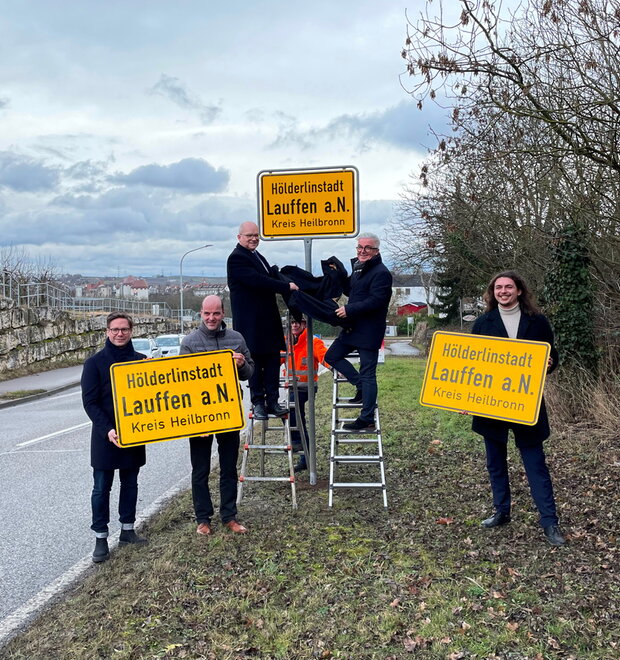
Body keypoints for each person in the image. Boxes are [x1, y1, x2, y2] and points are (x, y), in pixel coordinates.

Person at [471, 271, 565, 546]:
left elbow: (551, 355)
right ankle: (501, 511)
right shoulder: (483, 323)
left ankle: (550, 522)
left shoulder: (537, 322)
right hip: (490, 405)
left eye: (508, 287)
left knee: (535, 464)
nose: (503, 291)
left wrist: (550, 364)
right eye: (498, 287)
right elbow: (472, 367)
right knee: (495, 463)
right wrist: (466, 400)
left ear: (519, 290)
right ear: (492, 292)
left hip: (526, 404)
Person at [180, 295, 254, 535]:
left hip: (228, 413)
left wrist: (242, 364)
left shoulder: (237, 338)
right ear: (200, 314)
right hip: (199, 417)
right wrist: (194, 420)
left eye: (216, 313)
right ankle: (203, 519)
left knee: (228, 468)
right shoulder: (189, 342)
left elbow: (249, 373)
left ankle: (229, 516)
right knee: (200, 470)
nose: (211, 318)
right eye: (207, 314)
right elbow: (181, 384)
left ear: (223, 314)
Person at [81, 312, 148, 563]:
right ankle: (100, 537)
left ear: (131, 331)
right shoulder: (94, 363)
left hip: (134, 434)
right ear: (107, 332)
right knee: (101, 488)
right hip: (104, 436)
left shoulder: (141, 361)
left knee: (130, 484)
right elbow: (90, 403)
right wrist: (108, 430)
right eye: (115, 329)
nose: (120, 333)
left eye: (124, 329)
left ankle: (128, 530)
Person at [227, 221, 298, 420]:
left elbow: (267, 277)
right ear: (239, 237)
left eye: (256, 235)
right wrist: (285, 287)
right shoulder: (236, 259)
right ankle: (258, 403)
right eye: (249, 235)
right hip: (251, 323)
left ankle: (273, 401)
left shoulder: (258, 256)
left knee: (273, 361)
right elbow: (258, 281)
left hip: (268, 321)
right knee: (255, 362)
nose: (254, 238)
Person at [324, 232, 392, 430]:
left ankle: (366, 418)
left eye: (367, 248)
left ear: (376, 251)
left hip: (369, 330)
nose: (362, 251)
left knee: (368, 372)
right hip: (353, 327)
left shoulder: (381, 272)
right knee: (332, 356)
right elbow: (352, 291)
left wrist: (349, 309)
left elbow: (377, 300)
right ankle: (359, 385)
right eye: (360, 247)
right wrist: (338, 275)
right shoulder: (358, 269)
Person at [284, 317, 329, 472]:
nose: (294, 325)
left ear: (304, 324)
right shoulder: (285, 341)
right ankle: (306, 457)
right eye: (292, 322)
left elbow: (325, 357)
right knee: (296, 419)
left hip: (306, 388)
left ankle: (298, 442)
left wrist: (338, 367)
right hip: (291, 388)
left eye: (298, 322)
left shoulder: (312, 341)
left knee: (290, 409)